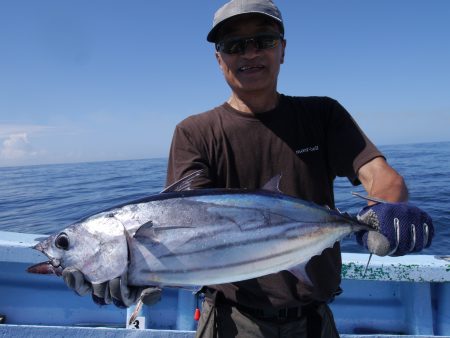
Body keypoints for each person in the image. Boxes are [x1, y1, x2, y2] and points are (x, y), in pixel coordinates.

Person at [62, 1, 434, 337]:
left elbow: (381, 177)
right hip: (232, 322)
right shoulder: (195, 132)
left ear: (283, 49)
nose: (250, 53)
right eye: (234, 45)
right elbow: (187, 230)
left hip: (316, 320)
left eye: (264, 40)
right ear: (218, 58)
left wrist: (385, 211)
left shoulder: (322, 114)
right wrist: (138, 273)